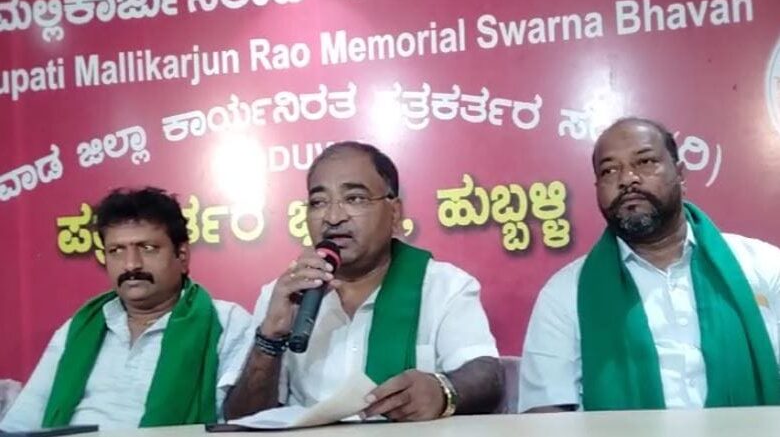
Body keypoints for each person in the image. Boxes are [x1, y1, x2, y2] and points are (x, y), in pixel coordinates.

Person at [225, 142, 503, 421]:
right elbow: (241, 418)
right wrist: (269, 339)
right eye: (319, 202)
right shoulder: (285, 295)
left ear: (394, 213)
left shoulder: (443, 286)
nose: (333, 217)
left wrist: (443, 390)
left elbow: (487, 374)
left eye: (355, 198)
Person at [519, 117, 780, 412]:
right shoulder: (566, 292)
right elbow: (545, 412)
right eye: (609, 170)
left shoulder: (762, 266)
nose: (627, 179)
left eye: (645, 162)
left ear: (680, 174)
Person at [0, 187, 253, 431]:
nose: (131, 264)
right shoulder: (80, 327)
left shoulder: (225, 322)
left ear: (182, 255)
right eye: (116, 251)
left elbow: (244, 420)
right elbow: (22, 421)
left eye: (147, 248)